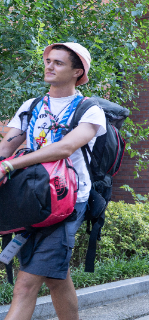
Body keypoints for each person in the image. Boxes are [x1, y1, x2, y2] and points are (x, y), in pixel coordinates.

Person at [0, 43, 106, 320]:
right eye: (48, 60)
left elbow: (64, 148)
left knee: (25, 284)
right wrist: (4, 159)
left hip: (67, 201)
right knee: (56, 277)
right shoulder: (32, 106)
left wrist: (10, 165)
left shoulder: (89, 110)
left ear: (77, 71)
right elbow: (4, 148)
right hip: (31, 198)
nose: (49, 66)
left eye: (58, 63)